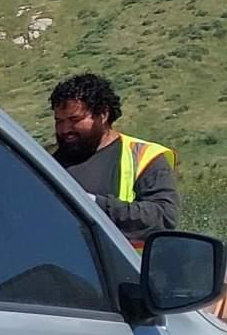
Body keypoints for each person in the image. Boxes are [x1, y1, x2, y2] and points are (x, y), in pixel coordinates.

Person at [49, 72, 176, 240]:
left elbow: (163, 218)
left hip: (123, 265)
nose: (65, 129)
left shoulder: (145, 157)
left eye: (75, 119)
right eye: (59, 121)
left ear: (103, 114)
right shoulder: (45, 159)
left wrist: (93, 205)